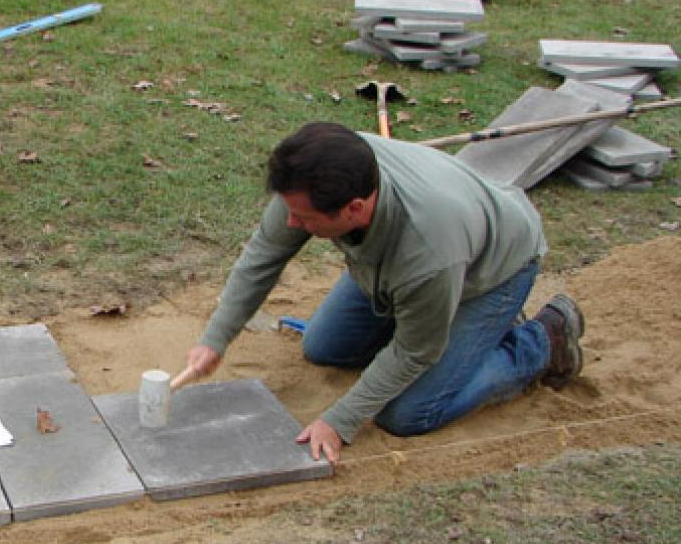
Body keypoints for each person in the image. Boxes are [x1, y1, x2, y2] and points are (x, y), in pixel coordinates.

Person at [183, 121, 584, 466]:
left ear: (354, 209)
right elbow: (265, 254)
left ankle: (542, 340)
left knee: (407, 414)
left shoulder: (428, 252)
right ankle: (433, 320)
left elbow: (416, 351)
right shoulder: (322, 170)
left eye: (303, 219)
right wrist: (216, 338)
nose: (291, 222)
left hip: (493, 269)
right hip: (407, 270)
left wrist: (339, 421)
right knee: (324, 348)